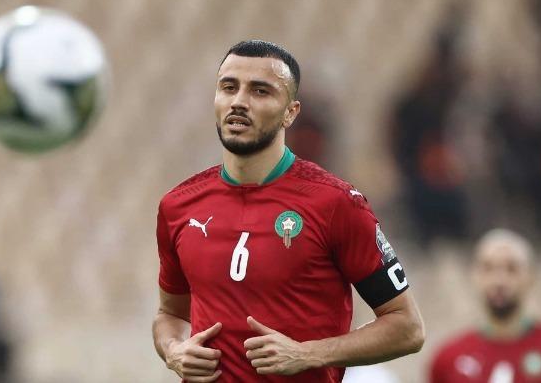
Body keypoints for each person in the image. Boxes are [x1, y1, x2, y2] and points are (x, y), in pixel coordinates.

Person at [152, 40, 424, 383]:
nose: (239, 102)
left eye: (260, 91)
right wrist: (173, 349)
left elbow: (407, 327)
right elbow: (170, 315)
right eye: (229, 87)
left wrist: (308, 353)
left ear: (290, 112)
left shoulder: (336, 203)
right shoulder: (178, 205)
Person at [429, 229, 541, 382]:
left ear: (531, 276)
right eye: (488, 268)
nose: (499, 280)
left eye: (511, 269)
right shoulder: (448, 358)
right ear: (474, 275)